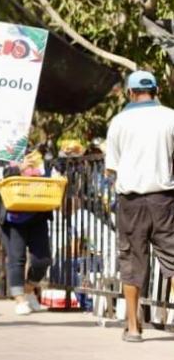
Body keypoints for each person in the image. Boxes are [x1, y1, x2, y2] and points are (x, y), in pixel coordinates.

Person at [104, 70, 174, 343]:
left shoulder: (119, 121)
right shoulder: (170, 116)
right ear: (156, 90)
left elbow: (111, 168)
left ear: (131, 92)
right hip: (164, 199)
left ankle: (133, 327)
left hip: (131, 201)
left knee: (132, 262)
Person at [0, 149, 52, 317]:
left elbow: (49, 172)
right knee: (16, 258)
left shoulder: (36, 153)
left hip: (37, 213)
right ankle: (19, 299)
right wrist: (19, 167)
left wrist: (48, 171)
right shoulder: (0, 156)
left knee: (43, 260)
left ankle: (28, 290)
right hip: (13, 216)